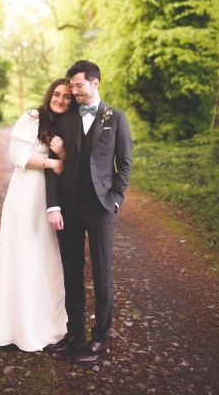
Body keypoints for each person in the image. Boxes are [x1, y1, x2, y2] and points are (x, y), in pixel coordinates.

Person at [46, 60, 132, 364]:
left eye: (78, 85)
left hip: (100, 207)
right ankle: (74, 334)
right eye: (71, 85)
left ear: (95, 83)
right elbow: (52, 166)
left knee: (101, 272)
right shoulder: (65, 117)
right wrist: (53, 204)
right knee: (72, 272)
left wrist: (116, 199)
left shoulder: (116, 118)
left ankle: (101, 339)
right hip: (68, 207)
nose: (73, 91)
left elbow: (124, 165)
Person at [0, 78, 73, 352]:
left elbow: (72, 163)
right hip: (25, 197)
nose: (60, 99)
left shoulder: (67, 124)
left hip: (50, 199)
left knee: (45, 259)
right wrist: (52, 161)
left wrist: (63, 153)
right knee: (21, 256)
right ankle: (13, 328)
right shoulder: (33, 117)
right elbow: (17, 156)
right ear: (49, 95)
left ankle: (43, 324)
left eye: (67, 97)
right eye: (57, 94)